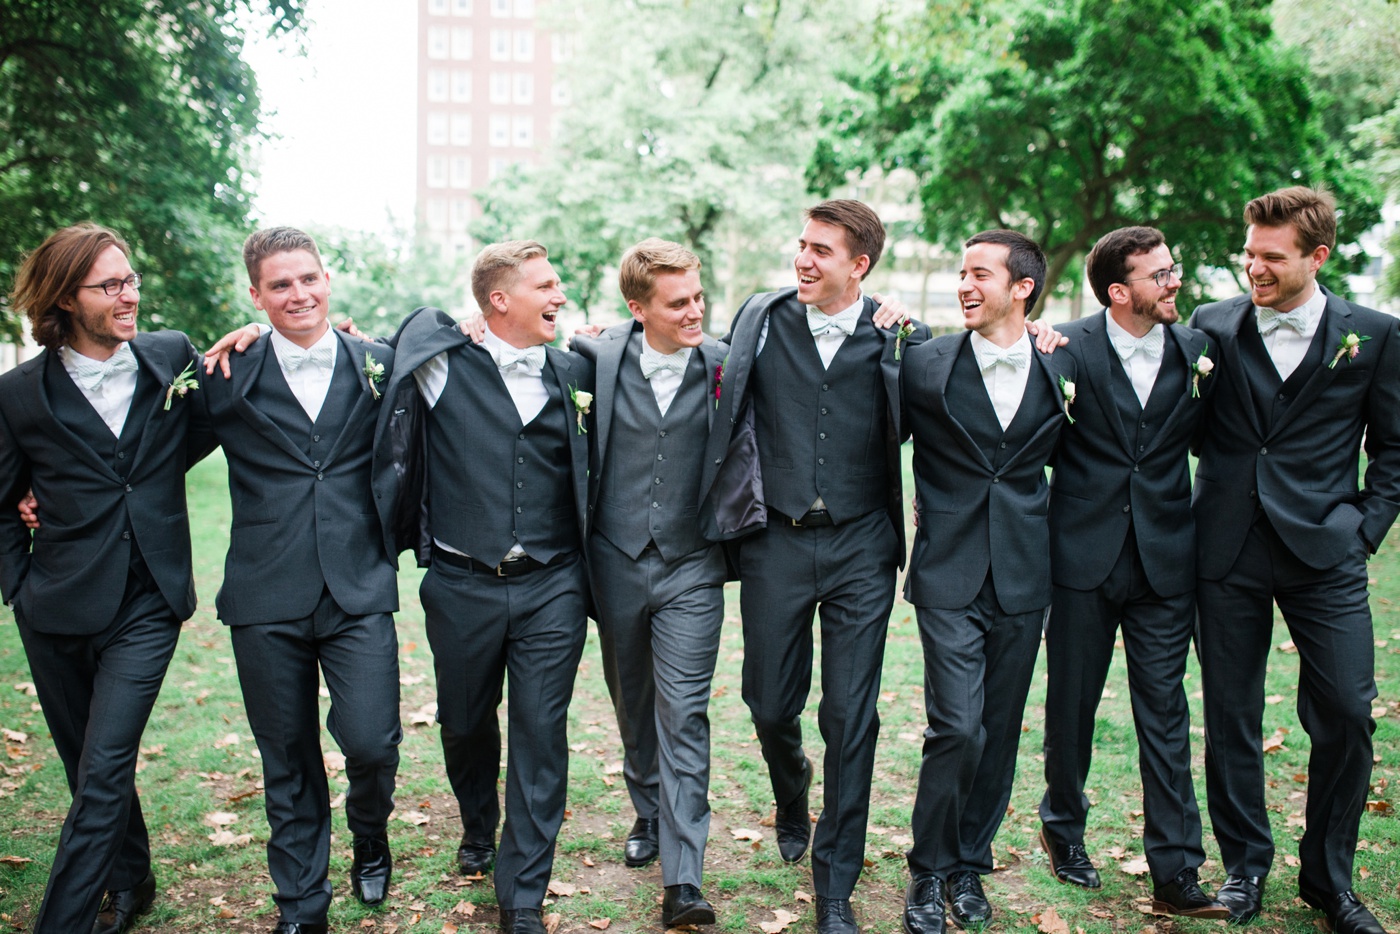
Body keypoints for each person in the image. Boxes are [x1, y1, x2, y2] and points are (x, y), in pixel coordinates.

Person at [697, 199, 931, 934]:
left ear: (859, 265)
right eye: (801, 245)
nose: (802, 259)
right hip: (777, 541)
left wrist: (1042, 337)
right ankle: (791, 788)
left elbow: (969, 385)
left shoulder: (901, 339)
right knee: (768, 703)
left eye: (821, 251)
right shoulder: (759, 320)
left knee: (850, 714)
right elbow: (687, 349)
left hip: (863, 545)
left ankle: (836, 883)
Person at [1190, 187, 1400, 934]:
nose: (1255, 268)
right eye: (1249, 253)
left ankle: (1328, 877)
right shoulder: (1211, 325)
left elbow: (1395, 447)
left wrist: (1364, 528)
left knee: (1346, 710)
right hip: (1226, 547)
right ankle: (1245, 865)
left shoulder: (1373, 335)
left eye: (1271, 258)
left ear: (1317, 256)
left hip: (1326, 551)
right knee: (1232, 716)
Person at [0, 223, 215, 933]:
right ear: (66, 298)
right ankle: (132, 879)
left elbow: (212, 428)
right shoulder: (19, 394)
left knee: (102, 767)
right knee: (86, 765)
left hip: (149, 600)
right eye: (111, 285)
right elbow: (2, 504)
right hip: (54, 604)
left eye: (131, 279)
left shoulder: (170, 358)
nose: (130, 295)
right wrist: (19, 589)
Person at [379, 241, 592, 934]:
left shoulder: (574, 369)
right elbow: (404, 330)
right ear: (499, 300)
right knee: (466, 722)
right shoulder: (442, 365)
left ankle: (522, 894)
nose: (560, 295)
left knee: (540, 733)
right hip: (462, 582)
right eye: (546, 285)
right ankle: (477, 821)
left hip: (553, 585)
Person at [198, 227, 404, 932]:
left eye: (308, 278)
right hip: (264, 591)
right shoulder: (225, 376)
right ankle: (301, 906)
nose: (298, 294)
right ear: (255, 296)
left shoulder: (379, 362)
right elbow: (141, 450)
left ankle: (370, 836)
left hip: (359, 585)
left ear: (327, 280)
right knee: (285, 756)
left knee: (373, 742)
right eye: (280, 285)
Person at [1037, 226, 1226, 918]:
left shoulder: (1199, 351)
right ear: (1120, 292)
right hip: (1080, 556)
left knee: (1166, 713)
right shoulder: (1063, 348)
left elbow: (1211, 440)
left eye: (1173, 268)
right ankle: (1063, 830)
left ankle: (1176, 868)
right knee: (1072, 707)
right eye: (1160, 275)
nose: (1174, 281)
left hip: (1165, 561)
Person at [899, 230, 1074, 934]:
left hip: (1026, 572)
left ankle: (969, 863)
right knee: (958, 727)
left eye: (980, 274)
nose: (965, 285)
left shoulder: (1064, 365)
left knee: (998, 730)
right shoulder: (924, 362)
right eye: (960, 273)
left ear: (1022, 287)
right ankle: (927, 870)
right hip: (947, 569)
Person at [570, 239, 729, 927]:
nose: (695, 311)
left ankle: (683, 877)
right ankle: (645, 810)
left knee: (683, 711)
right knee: (634, 701)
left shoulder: (726, 365)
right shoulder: (593, 358)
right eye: (678, 303)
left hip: (694, 564)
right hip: (615, 559)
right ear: (638, 309)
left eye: (698, 297)